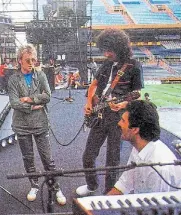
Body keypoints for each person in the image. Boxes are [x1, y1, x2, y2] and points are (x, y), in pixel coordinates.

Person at [76, 28, 143, 196]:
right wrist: (88, 103)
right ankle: (92, 185)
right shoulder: (105, 64)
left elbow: (137, 94)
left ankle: (108, 194)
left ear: (119, 47)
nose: (106, 53)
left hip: (119, 119)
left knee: (112, 161)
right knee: (88, 156)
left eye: (109, 50)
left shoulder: (134, 66)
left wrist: (124, 103)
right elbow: (93, 85)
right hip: (99, 116)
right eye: (104, 50)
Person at [7, 44, 66, 205]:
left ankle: (55, 187)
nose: (31, 63)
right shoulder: (13, 79)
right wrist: (33, 106)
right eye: (28, 60)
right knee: (28, 158)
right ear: (20, 61)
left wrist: (28, 99)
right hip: (21, 125)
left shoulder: (41, 76)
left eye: (34, 59)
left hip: (40, 123)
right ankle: (34, 184)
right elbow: (13, 103)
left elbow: (47, 96)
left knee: (48, 159)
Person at [108, 100, 181, 195]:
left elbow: (154, 207)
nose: (119, 123)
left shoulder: (158, 167)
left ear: (135, 130)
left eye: (123, 121)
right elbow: (124, 185)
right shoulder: (138, 147)